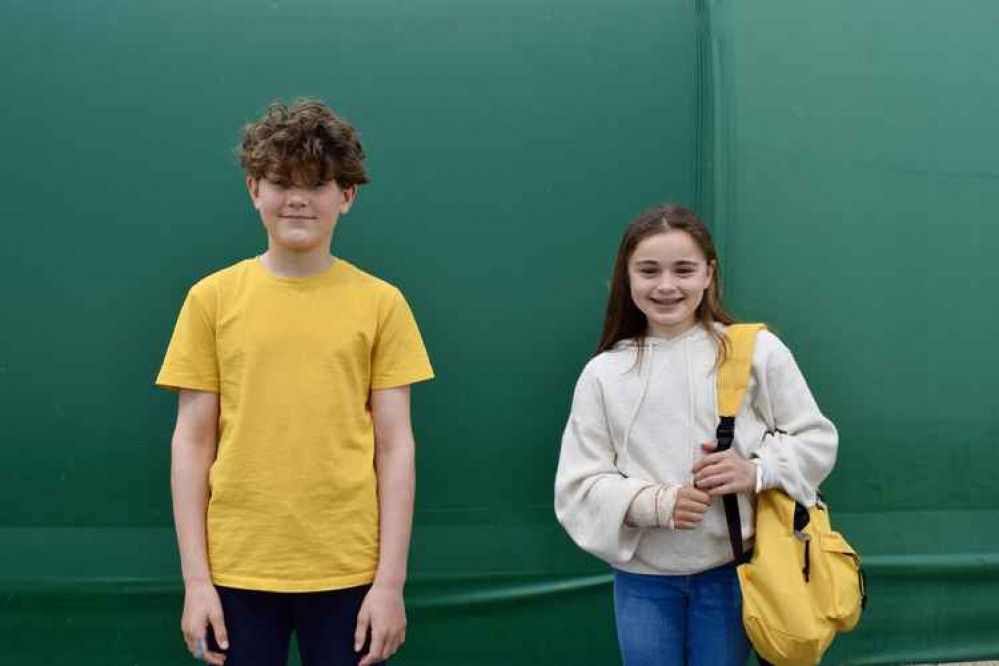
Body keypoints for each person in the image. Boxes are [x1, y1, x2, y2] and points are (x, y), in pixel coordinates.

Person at [156, 99, 434, 666]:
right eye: (282, 182)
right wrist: (196, 582)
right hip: (237, 569)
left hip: (349, 571)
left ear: (347, 196)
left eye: (319, 183)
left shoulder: (382, 304)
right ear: (254, 189)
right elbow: (191, 441)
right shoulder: (210, 300)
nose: (299, 198)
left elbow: (396, 446)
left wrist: (390, 583)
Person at [554, 204, 837, 666]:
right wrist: (655, 503)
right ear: (626, 277)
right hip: (641, 581)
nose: (666, 285)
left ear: (709, 274)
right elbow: (576, 487)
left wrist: (756, 470)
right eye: (649, 270)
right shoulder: (603, 374)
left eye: (683, 270)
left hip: (733, 573)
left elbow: (817, 440)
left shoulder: (756, 351)